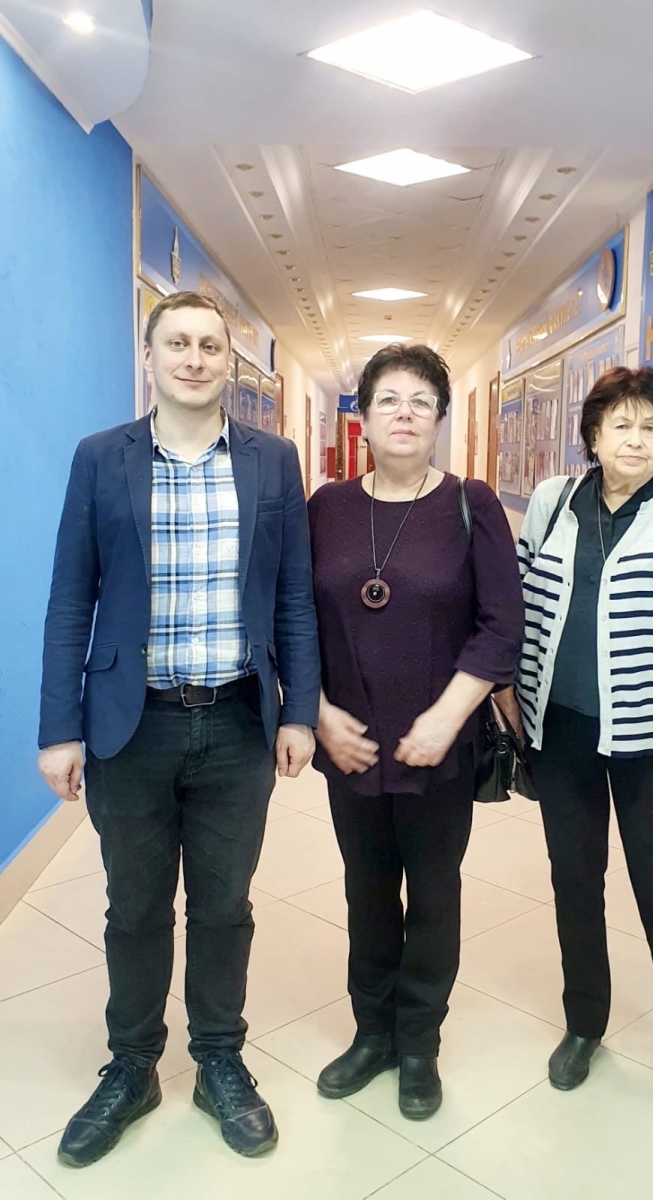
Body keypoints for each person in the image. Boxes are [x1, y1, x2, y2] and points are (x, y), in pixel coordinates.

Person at [38, 291, 320, 1166]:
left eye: (209, 345)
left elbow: (294, 598)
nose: (194, 359)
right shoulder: (102, 457)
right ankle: (131, 1066)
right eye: (177, 344)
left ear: (229, 362)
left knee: (224, 906)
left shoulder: (273, 460)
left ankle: (219, 1061)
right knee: (134, 907)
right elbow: (69, 599)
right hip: (131, 726)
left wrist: (299, 711)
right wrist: (58, 727)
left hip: (237, 722)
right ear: (150, 355)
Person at [501, 366, 653, 1151]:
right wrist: (508, 708)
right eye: (621, 425)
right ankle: (585, 1025)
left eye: (651, 427)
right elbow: (516, 603)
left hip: (650, 746)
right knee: (574, 884)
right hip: (559, 735)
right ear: (592, 434)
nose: (636, 440)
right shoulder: (553, 500)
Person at [308, 344, 524, 1120]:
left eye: (420, 402)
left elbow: (502, 626)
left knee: (433, 894)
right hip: (349, 745)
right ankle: (372, 1033)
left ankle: (417, 1045)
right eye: (388, 400)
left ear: (438, 419)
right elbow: (293, 617)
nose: (403, 414)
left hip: (439, 746)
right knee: (366, 892)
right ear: (362, 418)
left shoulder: (471, 503)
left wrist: (445, 716)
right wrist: (317, 713)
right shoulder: (325, 507)